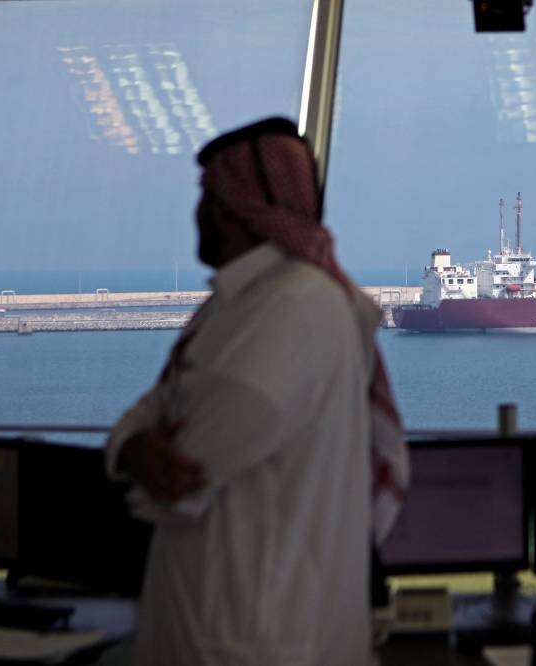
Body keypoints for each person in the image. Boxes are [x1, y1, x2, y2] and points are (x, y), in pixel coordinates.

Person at [105, 117, 408, 666]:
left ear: (230, 208)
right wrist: (131, 447)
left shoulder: (292, 308)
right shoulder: (239, 304)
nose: (197, 211)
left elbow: (181, 478)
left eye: (207, 195)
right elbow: (146, 415)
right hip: (225, 631)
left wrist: (135, 456)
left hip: (258, 640)